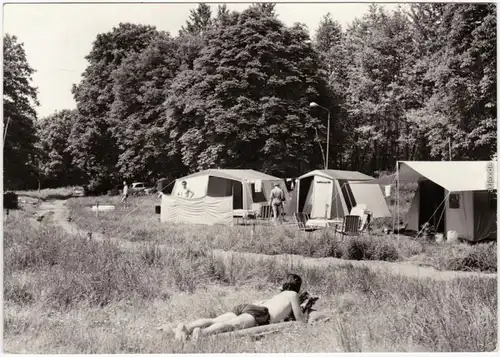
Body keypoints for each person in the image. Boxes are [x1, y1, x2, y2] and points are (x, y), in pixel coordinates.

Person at [173, 274, 308, 341]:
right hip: (260, 313)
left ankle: (187, 327)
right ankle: (203, 333)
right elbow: (300, 319)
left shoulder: (277, 296)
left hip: (249, 306)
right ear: (297, 287)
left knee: (215, 319)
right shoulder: (293, 295)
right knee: (230, 325)